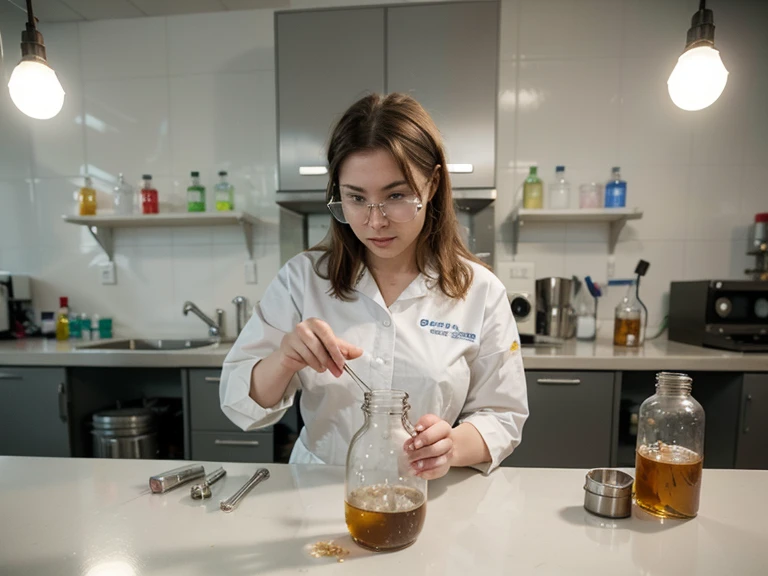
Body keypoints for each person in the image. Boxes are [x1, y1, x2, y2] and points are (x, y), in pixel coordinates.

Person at [220, 93, 528, 478]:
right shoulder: (303, 280)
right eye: (356, 198)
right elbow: (238, 401)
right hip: (318, 490)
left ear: (431, 185)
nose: (375, 221)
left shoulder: (479, 290)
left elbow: (503, 415)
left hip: (424, 497)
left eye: (395, 196)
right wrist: (284, 359)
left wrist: (451, 446)